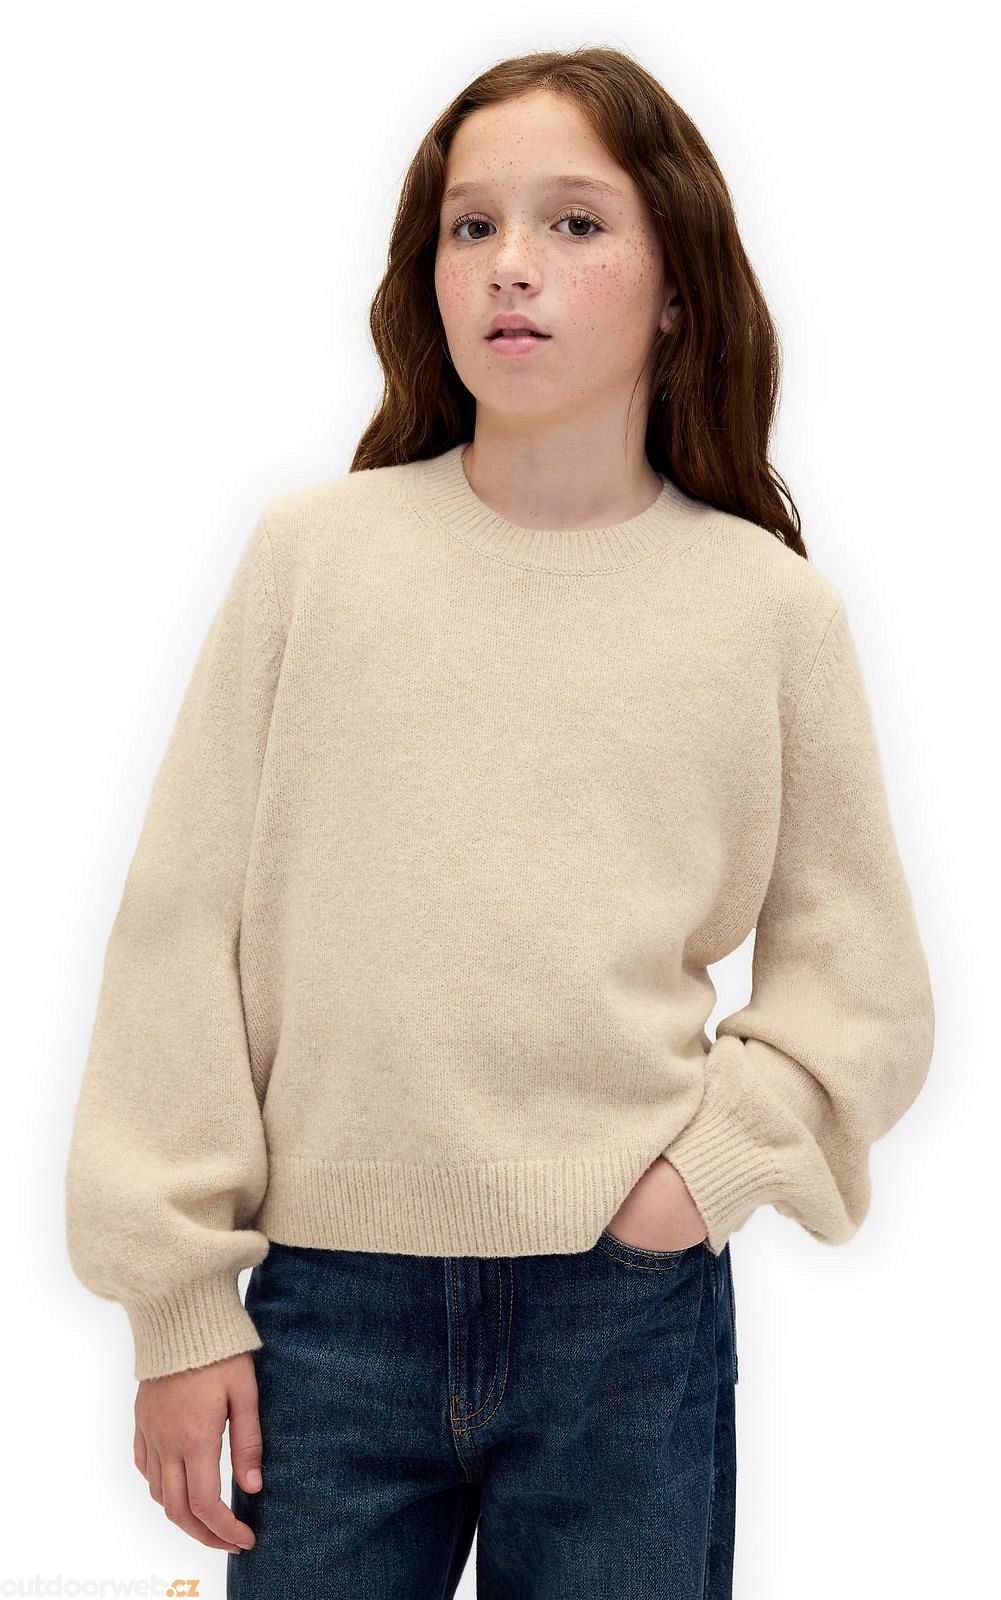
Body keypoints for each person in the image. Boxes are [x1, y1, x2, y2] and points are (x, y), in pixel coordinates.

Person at [64, 44, 935, 1600]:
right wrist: (177, 1309)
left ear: (677, 289)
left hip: (624, 1318)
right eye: (470, 226)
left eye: (573, 223)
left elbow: (858, 982)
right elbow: (184, 932)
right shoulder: (313, 561)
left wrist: (689, 1188)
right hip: (325, 1320)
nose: (509, 265)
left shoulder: (764, 611)